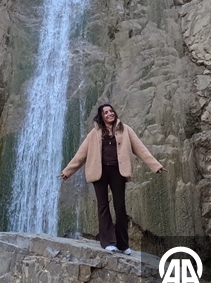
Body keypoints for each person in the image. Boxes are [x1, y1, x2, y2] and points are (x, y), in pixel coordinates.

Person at [59, 104, 165, 254]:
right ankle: (108, 242)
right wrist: (67, 171)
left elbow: (140, 149)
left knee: (120, 207)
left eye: (111, 111)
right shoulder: (94, 133)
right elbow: (81, 155)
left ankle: (123, 244)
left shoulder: (126, 130)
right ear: (101, 116)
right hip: (99, 172)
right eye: (106, 112)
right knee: (103, 207)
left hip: (118, 171)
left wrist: (155, 166)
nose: (109, 113)